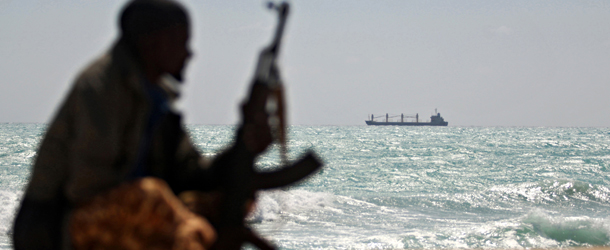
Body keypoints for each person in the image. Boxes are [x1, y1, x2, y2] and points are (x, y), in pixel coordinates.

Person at [12, 0, 273, 249]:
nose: (189, 53)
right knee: (151, 197)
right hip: (55, 229)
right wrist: (175, 213)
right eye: (181, 42)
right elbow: (86, 188)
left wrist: (244, 144)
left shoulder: (157, 102)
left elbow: (193, 174)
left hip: (115, 215)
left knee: (227, 201)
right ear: (153, 44)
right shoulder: (101, 88)